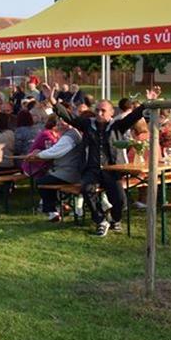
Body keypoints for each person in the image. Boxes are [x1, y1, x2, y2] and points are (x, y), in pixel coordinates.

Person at [44, 83, 153, 237]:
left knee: (120, 201)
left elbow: (133, 116)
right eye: (97, 110)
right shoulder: (88, 124)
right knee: (86, 189)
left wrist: (147, 103)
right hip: (92, 169)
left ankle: (114, 219)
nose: (99, 113)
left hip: (112, 170)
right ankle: (100, 220)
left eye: (103, 110)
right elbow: (70, 117)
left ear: (111, 112)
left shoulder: (117, 126)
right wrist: (53, 101)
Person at [26, 117, 84, 221]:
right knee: (46, 180)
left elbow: (56, 152)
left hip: (69, 173)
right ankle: (57, 207)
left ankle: (52, 211)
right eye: (59, 121)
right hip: (71, 171)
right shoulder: (71, 134)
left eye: (64, 121)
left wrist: (38, 155)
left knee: (41, 182)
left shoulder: (69, 136)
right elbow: (55, 150)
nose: (61, 123)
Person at [20, 114, 60, 181]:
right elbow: (54, 149)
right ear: (55, 125)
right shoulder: (47, 134)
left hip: (43, 165)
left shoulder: (55, 134)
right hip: (33, 167)